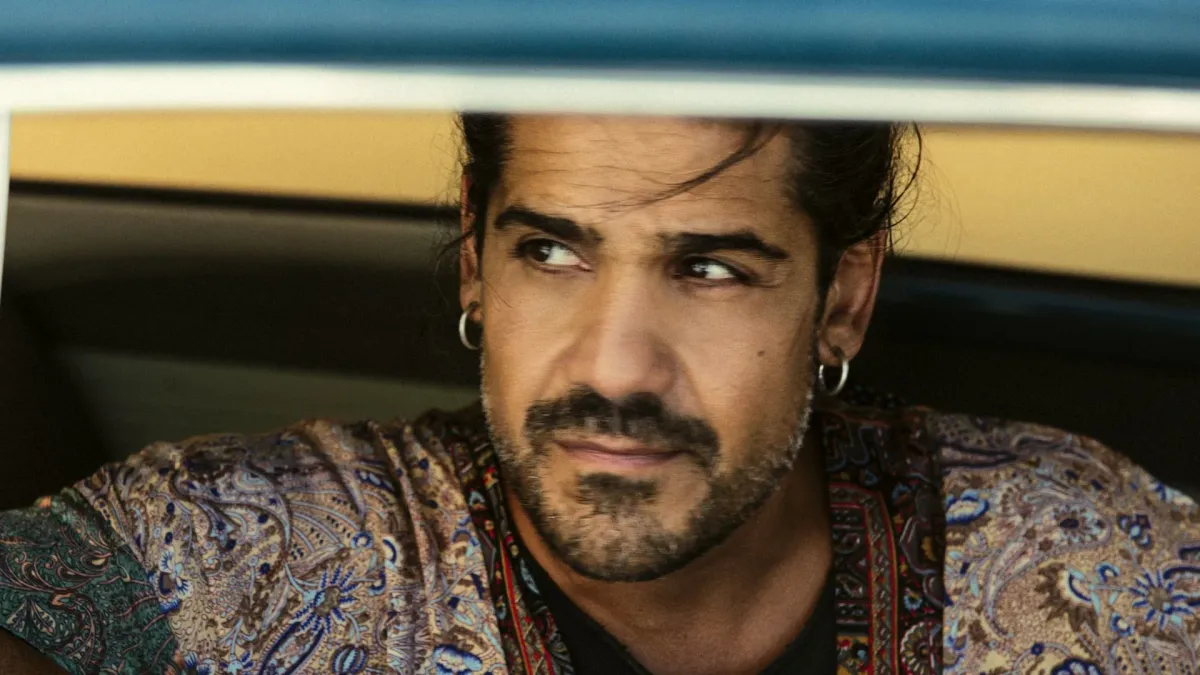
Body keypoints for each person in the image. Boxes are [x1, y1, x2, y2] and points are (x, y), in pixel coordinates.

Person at [1, 114, 1197, 675]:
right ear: (475, 262)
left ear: (842, 297)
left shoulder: (1076, 556)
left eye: (711, 269)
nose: (617, 367)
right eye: (552, 252)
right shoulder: (247, 550)